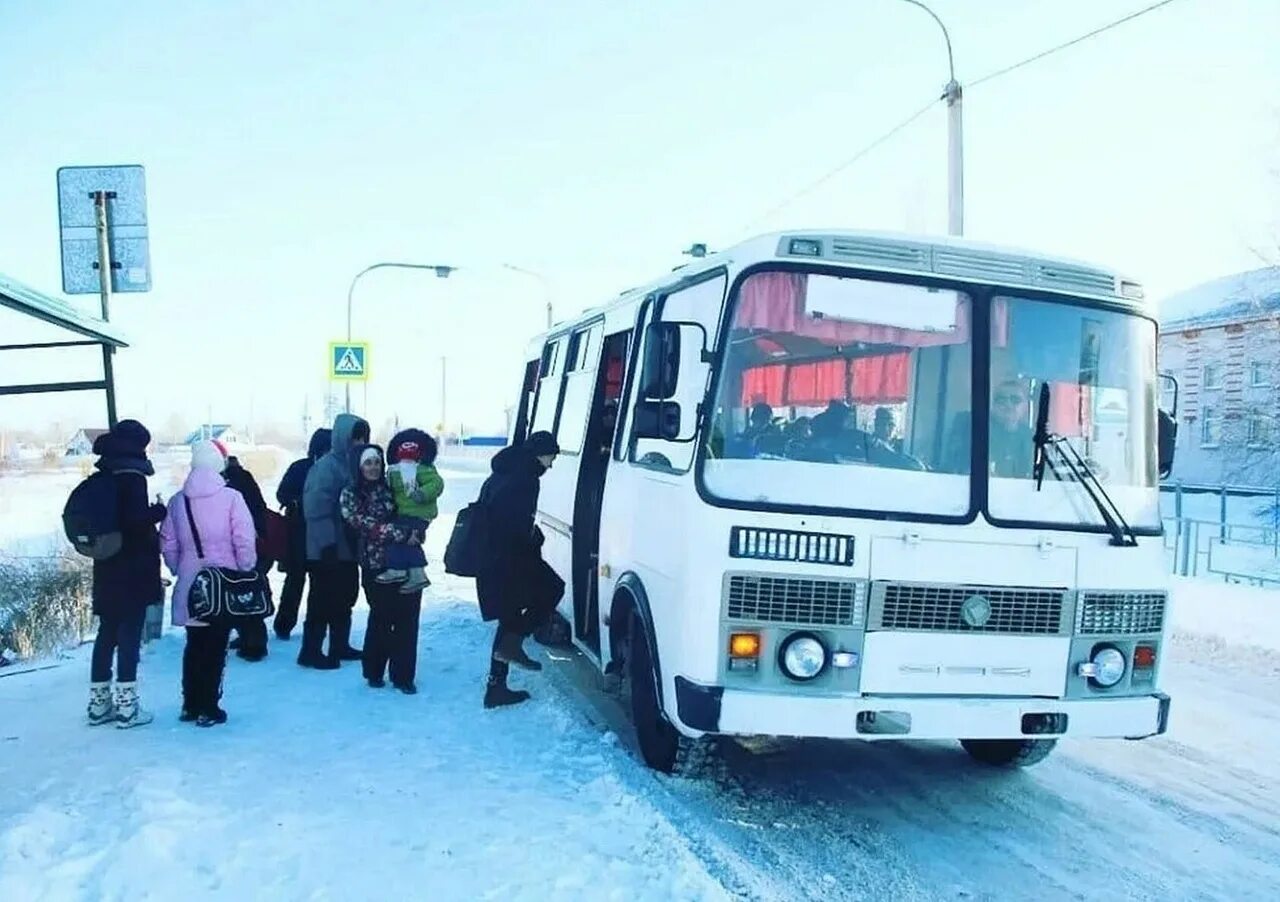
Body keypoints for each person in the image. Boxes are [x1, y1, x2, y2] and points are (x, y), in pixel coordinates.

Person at [161, 440, 257, 727]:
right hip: (223, 584)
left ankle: (190, 703)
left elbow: (167, 542)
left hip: (191, 583)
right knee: (216, 647)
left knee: (194, 644)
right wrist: (245, 568)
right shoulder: (232, 498)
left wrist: (180, 567)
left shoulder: (178, 501)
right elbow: (243, 537)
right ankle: (209, 707)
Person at [475, 431, 565, 709]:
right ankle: (513, 646)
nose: (550, 465)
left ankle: (496, 688)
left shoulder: (505, 471)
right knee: (553, 589)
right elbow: (512, 525)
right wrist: (532, 538)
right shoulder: (525, 480)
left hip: (492, 558)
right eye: (551, 457)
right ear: (540, 453)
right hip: (508, 559)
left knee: (509, 617)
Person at [86, 420, 166, 729]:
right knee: (130, 632)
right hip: (132, 566)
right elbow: (135, 521)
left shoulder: (105, 472)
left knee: (107, 631)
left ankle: (98, 705)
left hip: (106, 563)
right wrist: (158, 512)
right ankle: (127, 707)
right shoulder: (132, 476)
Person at [340, 444, 426, 694]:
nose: (373, 467)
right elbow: (363, 524)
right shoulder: (350, 493)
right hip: (375, 565)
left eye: (377, 462)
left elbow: (412, 511)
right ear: (359, 466)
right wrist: (402, 533)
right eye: (368, 463)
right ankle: (374, 670)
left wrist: (418, 530)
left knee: (408, 619)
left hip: (406, 562)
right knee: (382, 618)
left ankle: (404, 676)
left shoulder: (391, 488)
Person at [300, 413, 370, 669]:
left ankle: (340, 645)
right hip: (325, 549)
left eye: (363, 437)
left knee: (345, 597)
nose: (359, 442)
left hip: (348, 548)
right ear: (343, 438)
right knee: (321, 600)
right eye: (355, 437)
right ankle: (311, 650)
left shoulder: (354, 465)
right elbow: (316, 508)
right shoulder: (327, 467)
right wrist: (327, 544)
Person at [274, 428, 332, 640]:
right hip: (298, 529)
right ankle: (284, 624)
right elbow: (281, 493)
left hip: (323, 532)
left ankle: (315, 626)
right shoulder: (300, 467)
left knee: (319, 582)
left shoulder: (335, 469)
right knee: (295, 579)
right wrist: (299, 500)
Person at [379, 429, 444, 593]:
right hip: (403, 513)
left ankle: (415, 572)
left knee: (409, 540)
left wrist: (422, 494)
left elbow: (436, 484)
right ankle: (403, 570)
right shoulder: (394, 471)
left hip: (418, 514)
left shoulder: (424, 470)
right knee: (401, 540)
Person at [223, 452, 272, 661]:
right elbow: (259, 508)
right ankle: (252, 639)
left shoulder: (228, 486)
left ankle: (252, 642)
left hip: (240, 544)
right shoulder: (246, 479)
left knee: (241, 592)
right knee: (250, 591)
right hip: (254, 542)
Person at [990, 378, 1035, 478]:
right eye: (1001, 400)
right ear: (993, 405)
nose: (1008, 405)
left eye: (1015, 400)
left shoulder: (1032, 438)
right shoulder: (979, 433)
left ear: (1025, 406)